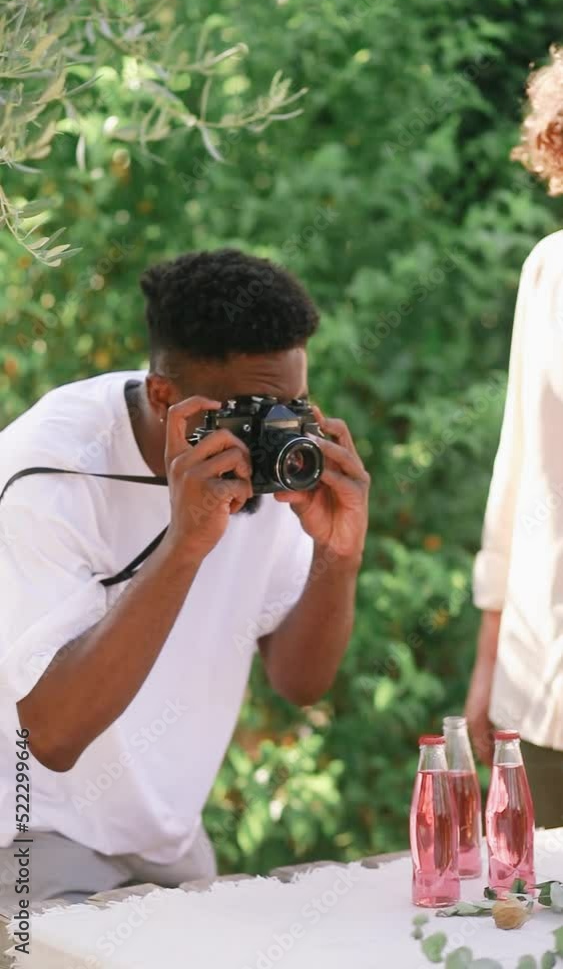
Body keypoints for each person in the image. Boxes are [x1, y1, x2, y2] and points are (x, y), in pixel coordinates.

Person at [0, 249, 370, 912]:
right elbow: (53, 734)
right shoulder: (47, 475)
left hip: (171, 839)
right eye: (252, 410)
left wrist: (337, 555)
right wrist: (185, 545)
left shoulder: (268, 462)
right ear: (166, 395)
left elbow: (299, 680)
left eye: (293, 405)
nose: (274, 435)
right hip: (33, 836)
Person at [466, 45, 563, 828]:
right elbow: (517, 469)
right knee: (530, 922)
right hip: (540, 691)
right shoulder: (547, 271)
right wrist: (486, 667)